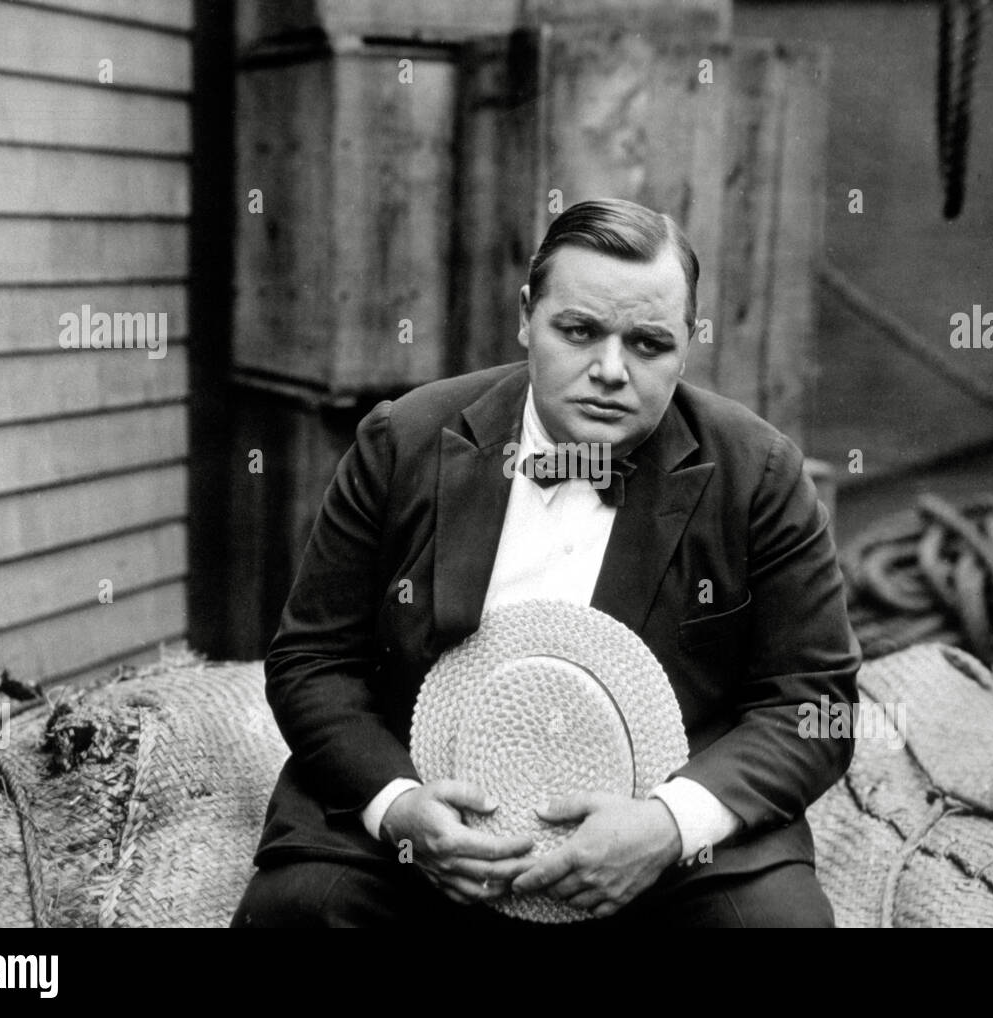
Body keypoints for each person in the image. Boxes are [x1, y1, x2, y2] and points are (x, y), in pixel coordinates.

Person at [232, 198, 861, 928]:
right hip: (428, 821)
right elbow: (312, 660)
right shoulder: (402, 440)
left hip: (660, 844)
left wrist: (667, 825)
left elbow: (814, 703)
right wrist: (401, 808)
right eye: (579, 331)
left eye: (649, 344)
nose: (610, 370)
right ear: (526, 315)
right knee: (300, 913)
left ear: (688, 345)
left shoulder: (759, 475)